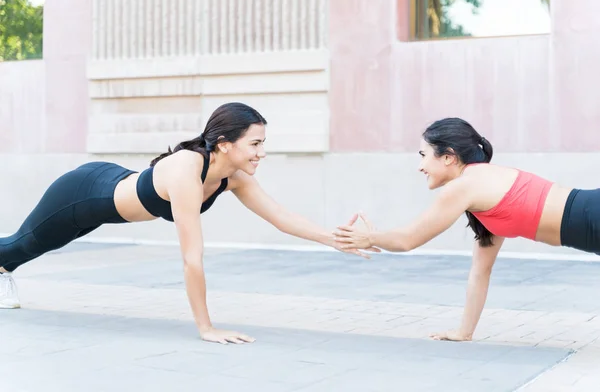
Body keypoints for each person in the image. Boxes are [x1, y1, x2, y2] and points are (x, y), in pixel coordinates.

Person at [0, 102, 375, 344]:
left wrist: (335, 239)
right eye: (255, 143)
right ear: (226, 143)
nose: (262, 152)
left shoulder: (235, 176)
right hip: (82, 194)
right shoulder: (186, 169)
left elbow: (282, 218)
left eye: (263, 143)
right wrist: (206, 328)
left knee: (34, 248)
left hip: (109, 190)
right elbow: (192, 258)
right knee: (24, 244)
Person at [333, 117, 599, 342]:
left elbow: (408, 239)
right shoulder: (483, 190)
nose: (420, 166)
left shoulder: (465, 186)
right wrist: (464, 332)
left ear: (448, 157)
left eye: (424, 155)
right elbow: (480, 271)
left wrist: (369, 238)